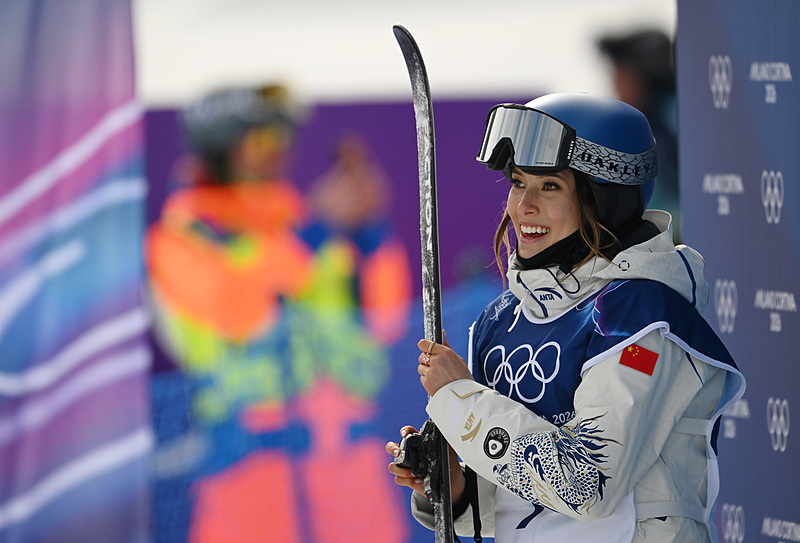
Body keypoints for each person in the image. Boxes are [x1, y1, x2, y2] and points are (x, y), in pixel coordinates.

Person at [386, 93, 745, 543]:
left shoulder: (640, 319)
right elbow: (523, 499)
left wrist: (462, 401)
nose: (523, 206)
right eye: (518, 183)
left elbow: (585, 485)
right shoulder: (501, 321)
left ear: (605, 200)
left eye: (550, 186)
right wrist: (455, 489)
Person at [597, 29, 681, 243]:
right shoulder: (637, 124)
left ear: (646, 76)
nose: (615, 85)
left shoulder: (673, 116)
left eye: (622, 75)